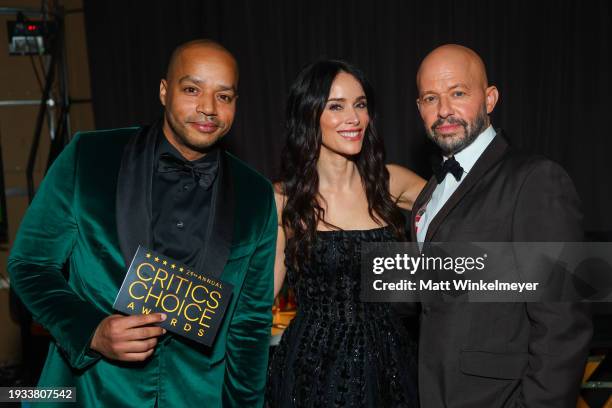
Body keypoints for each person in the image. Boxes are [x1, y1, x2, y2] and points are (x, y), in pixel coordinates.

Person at [8, 39, 276, 407]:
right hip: (88, 390)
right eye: (192, 89)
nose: (208, 108)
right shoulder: (89, 158)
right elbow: (29, 265)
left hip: (198, 397)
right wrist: (92, 331)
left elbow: (250, 324)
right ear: (164, 91)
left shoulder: (256, 194)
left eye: (224, 96)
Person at [411, 44, 592, 407]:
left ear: (490, 98)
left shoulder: (536, 180)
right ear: (420, 109)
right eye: (431, 98)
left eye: (458, 93)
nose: (444, 110)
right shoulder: (428, 193)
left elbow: (563, 324)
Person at [266, 59, 425, 407]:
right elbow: (259, 300)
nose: (353, 118)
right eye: (336, 106)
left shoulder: (392, 182)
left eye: (360, 104)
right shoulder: (283, 200)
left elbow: (466, 211)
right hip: (313, 369)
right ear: (309, 115)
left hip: (390, 361)